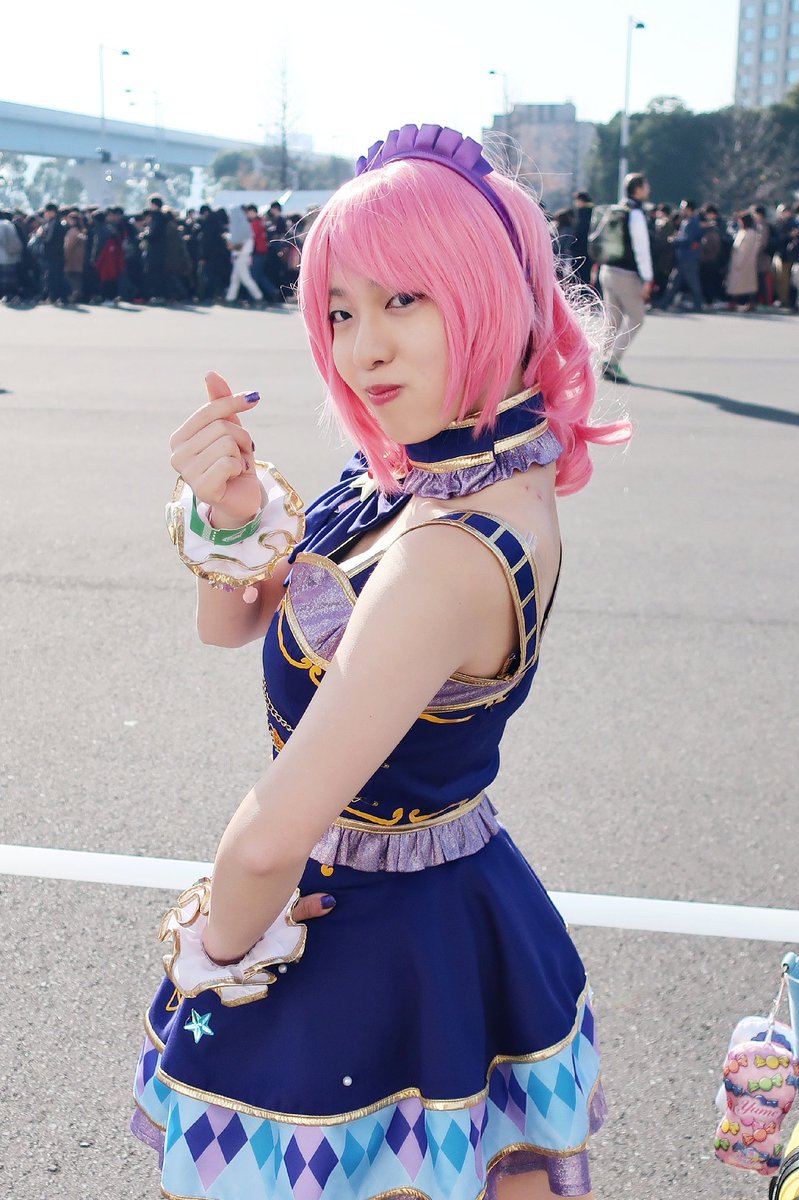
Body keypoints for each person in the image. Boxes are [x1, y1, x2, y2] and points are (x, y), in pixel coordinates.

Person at [132, 122, 630, 1200]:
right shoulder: (423, 478)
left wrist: (213, 955)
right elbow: (235, 625)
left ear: (488, 292)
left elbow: (269, 838)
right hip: (434, 914)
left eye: (405, 299)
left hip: (369, 944)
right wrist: (232, 514)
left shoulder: (446, 551)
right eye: (341, 311)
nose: (364, 349)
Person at [597, 171, 654, 384]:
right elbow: (641, 249)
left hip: (607, 269)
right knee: (637, 317)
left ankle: (602, 358)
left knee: (613, 318)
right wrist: (648, 278)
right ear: (637, 189)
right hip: (626, 274)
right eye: (646, 186)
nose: (648, 189)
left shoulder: (617, 209)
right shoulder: (636, 214)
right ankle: (612, 360)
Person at [660, 200, 705, 313]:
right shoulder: (686, 222)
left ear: (689, 209)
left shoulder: (693, 223)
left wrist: (674, 241)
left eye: (683, 208)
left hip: (689, 257)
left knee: (693, 282)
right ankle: (664, 303)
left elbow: (689, 240)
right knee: (674, 281)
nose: (681, 210)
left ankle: (698, 305)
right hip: (683, 257)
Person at [225, 203, 264, 305]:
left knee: (245, 278)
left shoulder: (242, 226)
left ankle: (258, 296)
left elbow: (239, 244)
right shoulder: (243, 224)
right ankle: (230, 298)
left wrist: (229, 241)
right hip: (241, 255)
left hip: (242, 255)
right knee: (235, 279)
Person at [726, 212, 759, 311]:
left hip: (744, 262)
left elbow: (745, 250)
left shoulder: (750, 233)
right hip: (740, 262)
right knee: (740, 284)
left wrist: (739, 263)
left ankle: (748, 303)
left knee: (745, 284)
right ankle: (736, 302)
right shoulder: (742, 232)